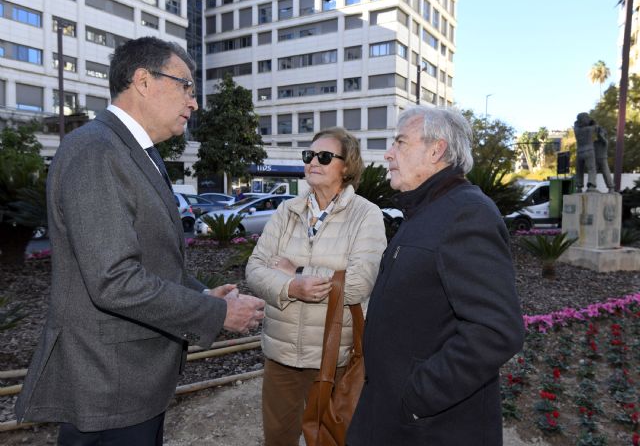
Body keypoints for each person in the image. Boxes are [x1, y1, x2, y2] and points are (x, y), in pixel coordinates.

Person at [15, 37, 265, 445]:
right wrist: (215, 314)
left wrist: (205, 296)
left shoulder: (131, 151)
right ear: (144, 81)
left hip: (131, 379)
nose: (194, 102)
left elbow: (149, 260)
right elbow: (114, 281)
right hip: (110, 384)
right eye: (186, 86)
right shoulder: (96, 151)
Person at [346, 107, 525, 445]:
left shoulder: (467, 213)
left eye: (400, 142)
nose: (388, 153)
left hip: (431, 428)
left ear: (436, 150)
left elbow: (497, 329)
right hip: (391, 416)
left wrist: (418, 395)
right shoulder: (426, 210)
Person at [246, 127, 386, 446]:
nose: (313, 162)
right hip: (281, 355)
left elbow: (359, 283)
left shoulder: (366, 215)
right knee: (277, 440)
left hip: (334, 357)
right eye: (309, 156)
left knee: (332, 440)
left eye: (324, 156)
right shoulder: (287, 211)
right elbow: (254, 270)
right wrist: (294, 288)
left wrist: (295, 270)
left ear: (347, 166)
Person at [574, 112, 598, 192]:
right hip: (589, 150)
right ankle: (591, 185)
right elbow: (595, 125)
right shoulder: (589, 129)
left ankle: (579, 187)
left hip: (579, 152)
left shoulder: (576, 130)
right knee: (591, 168)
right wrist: (591, 121)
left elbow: (575, 124)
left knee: (579, 170)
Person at [595, 125, 615, 192]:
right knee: (593, 173)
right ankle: (592, 186)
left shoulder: (605, 141)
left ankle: (611, 187)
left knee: (606, 173)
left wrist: (600, 130)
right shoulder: (595, 142)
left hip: (603, 159)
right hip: (595, 160)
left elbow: (601, 137)